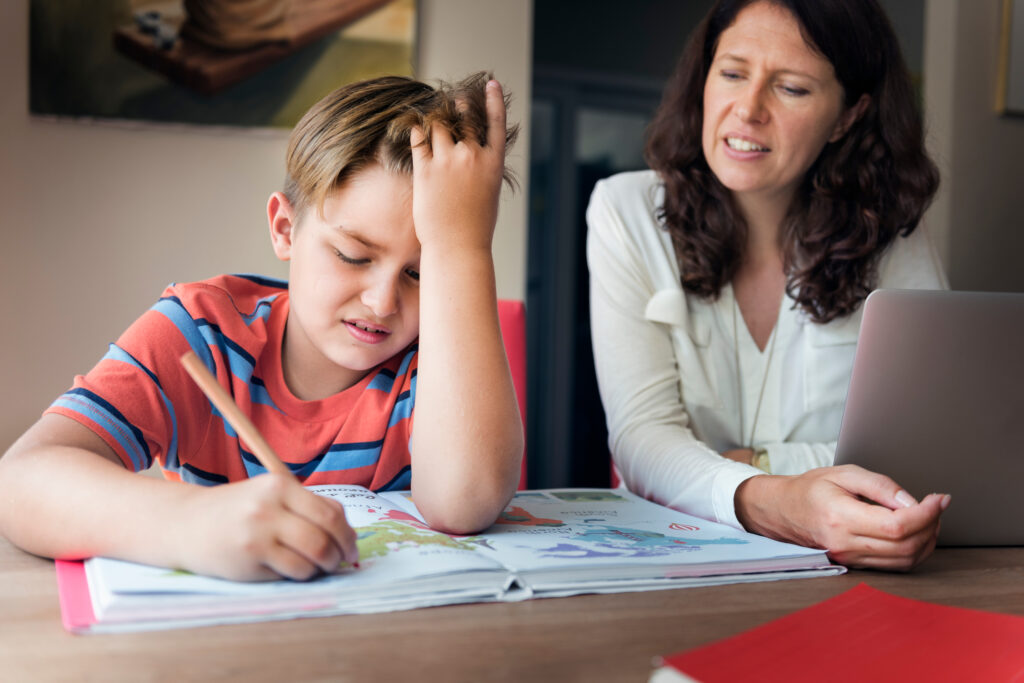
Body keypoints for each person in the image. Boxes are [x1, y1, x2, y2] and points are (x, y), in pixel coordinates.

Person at [0, 73, 524, 581]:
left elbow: (465, 501)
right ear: (285, 229)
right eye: (353, 256)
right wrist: (191, 522)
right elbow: (22, 481)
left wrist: (462, 247)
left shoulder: (437, 363)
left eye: (421, 273)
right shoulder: (201, 333)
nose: (382, 302)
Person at [587, 0, 949, 571]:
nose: (748, 109)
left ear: (847, 116)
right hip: (674, 563)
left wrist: (753, 462)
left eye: (792, 89)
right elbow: (642, 439)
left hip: (841, 571)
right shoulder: (624, 211)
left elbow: (924, 443)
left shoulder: (893, 233)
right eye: (732, 74)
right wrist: (782, 501)